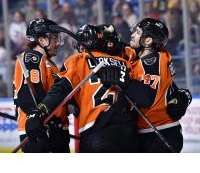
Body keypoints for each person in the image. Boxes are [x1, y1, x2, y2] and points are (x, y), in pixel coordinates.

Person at [24, 24, 156, 153]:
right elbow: (146, 99)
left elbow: (59, 91)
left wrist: (38, 112)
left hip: (97, 135)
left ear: (83, 45)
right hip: (130, 135)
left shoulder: (78, 60)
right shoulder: (124, 62)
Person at [127, 18, 192, 152]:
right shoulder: (157, 58)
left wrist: (123, 79)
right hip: (159, 132)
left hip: (158, 134)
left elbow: (147, 98)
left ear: (148, 41)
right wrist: (184, 95)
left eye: (138, 32)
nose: (132, 35)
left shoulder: (151, 61)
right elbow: (170, 89)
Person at [13, 18, 70, 153]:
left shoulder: (51, 64)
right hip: (40, 130)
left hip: (56, 130)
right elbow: (27, 92)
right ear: (41, 40)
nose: (58, 43)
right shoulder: (32, 57)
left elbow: (54, 96)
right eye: (54, 39)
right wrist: (34, 114)